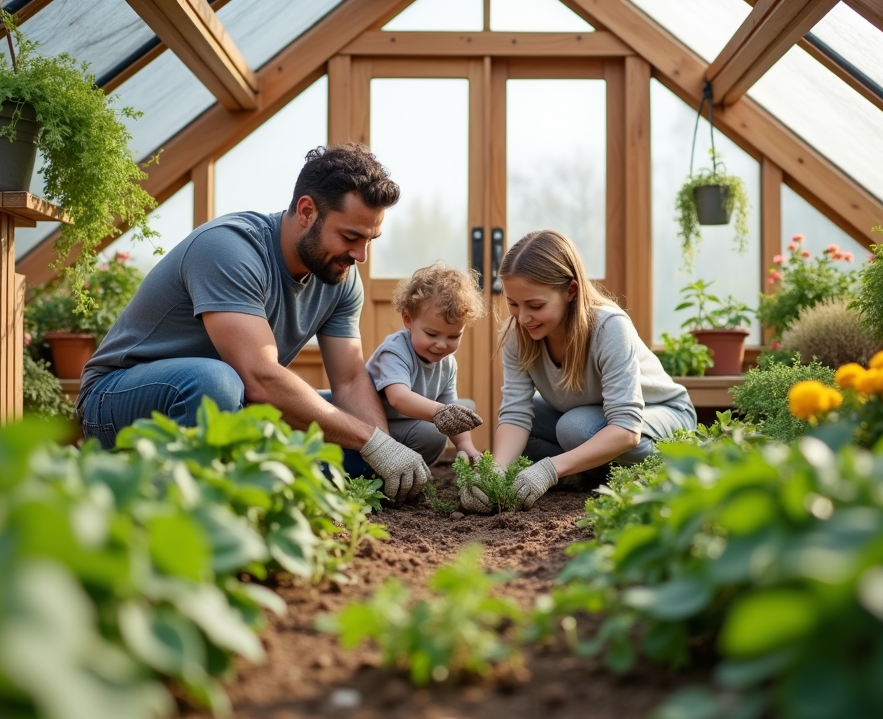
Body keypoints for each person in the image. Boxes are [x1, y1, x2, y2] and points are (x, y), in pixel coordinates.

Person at [76, 144, 431, 503]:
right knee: (216, 381)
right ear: (307, 211)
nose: (361, 256)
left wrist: (381, 447)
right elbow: (260, 378)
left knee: (412, 431)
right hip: (121, 400)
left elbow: (352, 380)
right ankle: (208, 500)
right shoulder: (228, 248)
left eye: (370, 240)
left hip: (238, 403)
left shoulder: (339, 277)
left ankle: (261, 478)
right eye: (350, 237)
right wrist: (369, 443)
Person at [460, 230, 697, 514]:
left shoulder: (610, 327)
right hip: (587, 418)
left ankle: (683, 462)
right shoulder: (517, 334)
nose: (522, 318)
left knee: (575, 428)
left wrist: (549, 469)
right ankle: (592, 473)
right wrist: (495, 473)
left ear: (571, 291)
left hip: (661, 414)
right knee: (521, 438)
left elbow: (626, 429)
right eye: (513, 303)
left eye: (535, 305)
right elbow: (515, 414)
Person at [366, 263, 486, 466]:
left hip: (407, 426)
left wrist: (465, 445)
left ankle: (411, 470)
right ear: (408, 319)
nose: (441, 345)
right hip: (375, 428)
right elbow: (399, 399)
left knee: (457, 414)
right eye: (431, 334)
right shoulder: (395, 352)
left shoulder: (448, 364)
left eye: (453, 336)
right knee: (433, 432)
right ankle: (383, 470)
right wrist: (440, 412)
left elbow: (450, 406)